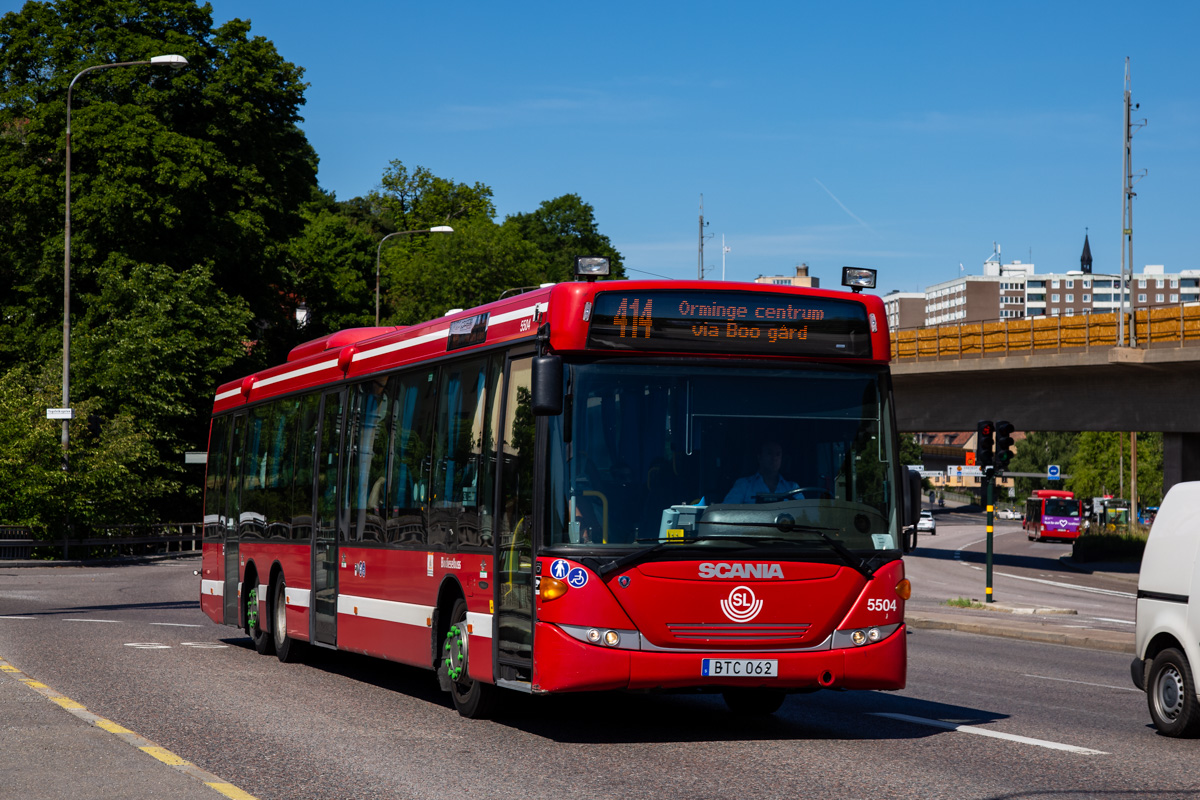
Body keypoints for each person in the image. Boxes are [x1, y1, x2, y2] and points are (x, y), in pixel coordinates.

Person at [723, 441, 801, 503]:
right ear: (759, 457)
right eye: (769, 453)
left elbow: (804, 514)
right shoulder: (744, 485)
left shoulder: (793, 488)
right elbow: (727, 513)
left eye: (778, 454)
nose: (774, 458)